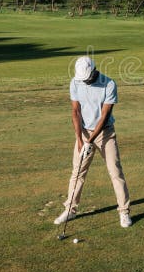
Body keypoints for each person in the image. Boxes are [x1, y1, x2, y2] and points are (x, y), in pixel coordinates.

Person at [54, 56, 132, 228]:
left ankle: (124, 212)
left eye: (87, 78)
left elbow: (104, 117)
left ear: (94, 70)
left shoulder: (109, 84)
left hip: (105, 133)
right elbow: (75, 111)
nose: (85, 81)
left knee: (115, 172)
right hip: (83, 133)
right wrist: (80, 140)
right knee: (78, 172)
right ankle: (70, 210)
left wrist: (90, 140)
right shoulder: (75, 82)